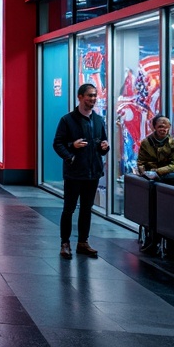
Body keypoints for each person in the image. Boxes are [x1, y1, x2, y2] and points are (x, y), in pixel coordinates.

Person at [52, 83, 110, 259]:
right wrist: (72, 150)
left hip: (93, 173)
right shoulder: (67, 120)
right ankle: (65, 243)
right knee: (69, 208)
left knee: (86, 209)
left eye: (94, 96)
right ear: (80, 97)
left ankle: (83, 242)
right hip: (74, 172)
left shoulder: (99, 120)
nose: (92, 99)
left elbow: (102, 145)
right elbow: (58, 144)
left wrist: (104, 147)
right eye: (89, 96)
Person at [136, 115, 174, 257]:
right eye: (160, 126)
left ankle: (165, 245)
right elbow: (141, 163)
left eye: (166, 126)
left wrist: (157, 172)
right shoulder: (146, 143)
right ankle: (153, 241)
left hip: (165, 180)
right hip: (153, 182)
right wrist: (145, 171)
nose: (163, 129)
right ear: (154, 127)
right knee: (154, 206)